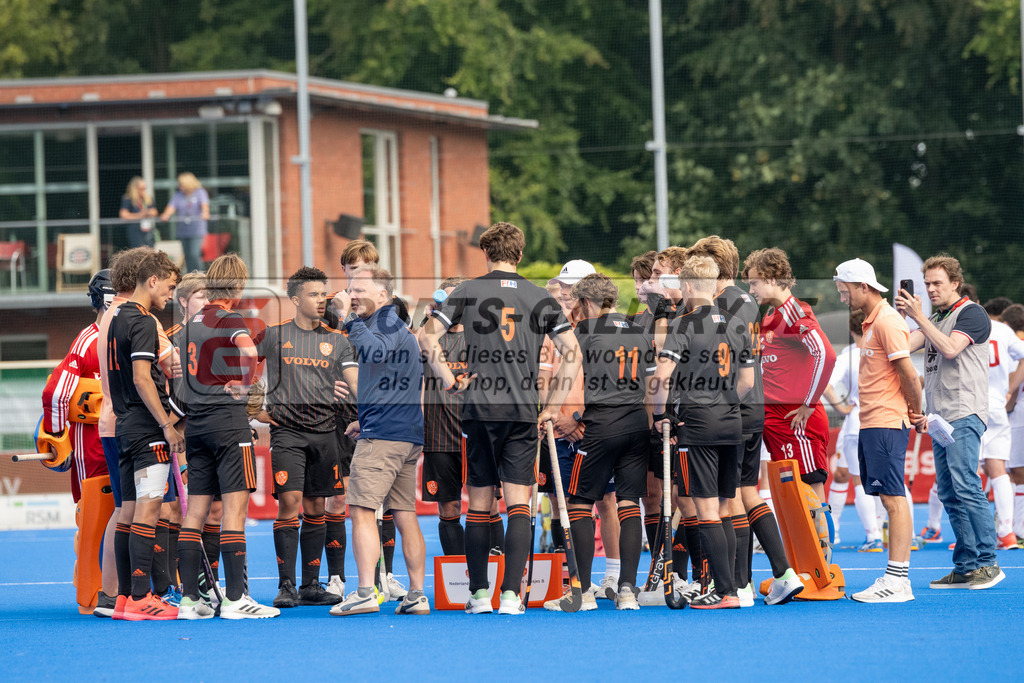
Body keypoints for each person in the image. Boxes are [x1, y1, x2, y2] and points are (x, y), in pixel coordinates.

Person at [418, 221, 582, 616]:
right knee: (518, 505)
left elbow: (426, 337)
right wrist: (553, 405)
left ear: (486, 255)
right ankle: (510, 595)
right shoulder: (540, 297)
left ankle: (478, 595)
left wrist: (448, 380)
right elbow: (573, 352)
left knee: (477, 504)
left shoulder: (467, 290)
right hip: (523, 412)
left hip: (478, 410)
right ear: (520, 255)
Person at [690, 235, 804, 607]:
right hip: (744, 406)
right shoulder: (744, 300)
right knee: (743, 493)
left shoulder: (724, 305)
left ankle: (741, 583)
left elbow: (726, 363)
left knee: (731, 497)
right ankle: (772, 576)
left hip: (735, 408)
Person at [175, 253, 279, 619]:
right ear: (236, 286)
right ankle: (236, 599)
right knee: (235, 511)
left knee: (196, 513)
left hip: (198, 425)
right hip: (227, 424)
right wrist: (244, 382)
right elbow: (248, 351)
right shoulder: (228, 316)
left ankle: (191, 601)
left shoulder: (189, 323)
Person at [650, 255, 755, 609]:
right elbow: (747, 382)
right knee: (726, 508)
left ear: (690, 287)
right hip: (731, 422)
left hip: (698, 423)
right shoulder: (738, 324)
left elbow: (662, 376)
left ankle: (726, 592)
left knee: (707, 510)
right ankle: (736, 587)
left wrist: (660, 415)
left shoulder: (682, 325)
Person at [546, 273, 654, 611]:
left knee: (578, 503)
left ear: (588, 302)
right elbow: (652, 390)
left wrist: (567, 417)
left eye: (578, 305)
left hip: (600, 425)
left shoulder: (583, 333)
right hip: (637, 423)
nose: (575, 312)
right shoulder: (639, 332)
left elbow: (573, 379)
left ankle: (581, 593)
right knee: (628, 504)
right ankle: (627, 591)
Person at [896, 254, 1004, 590]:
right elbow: (900, 345)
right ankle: (966, 564)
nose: (929, 289)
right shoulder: (935, 317)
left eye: (936, 283)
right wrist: (896, 320)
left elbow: (950, 349)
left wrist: (919, 319)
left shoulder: (971, 313)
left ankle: (989, 562)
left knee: (966, 484)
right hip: (940, 417)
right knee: (948, 491)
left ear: (955, 283)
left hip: (964, 412)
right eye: (926, 283)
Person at [255, 267, 358, 608]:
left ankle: (311, 585)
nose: (320, 301)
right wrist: (252, 409)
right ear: (295, 299)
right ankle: (286, 586)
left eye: (323, 295)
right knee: (290, 502)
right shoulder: (273, 335)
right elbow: (240, 368)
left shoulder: (337, 339)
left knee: (318, 507)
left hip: (326, 435)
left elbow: (353, 382)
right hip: (287, 435)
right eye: (313, 295)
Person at [328, 266, 428, 616]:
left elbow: (374, 353)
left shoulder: (385, 323)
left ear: (383, 295)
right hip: (402, 432)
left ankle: (366, 591)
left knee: (360, 510)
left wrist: (346, 317)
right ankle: (417, 594)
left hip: (385, 436)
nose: (351, 293)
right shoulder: (390, 325)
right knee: (404, 512)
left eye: (359, 288)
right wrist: (364, 418)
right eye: (349, 287)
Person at [98, 247, 181, 619]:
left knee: (128, 512)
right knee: (148, 512)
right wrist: (167, 423)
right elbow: (141, 376)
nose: (171, 294)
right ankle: (141, 598)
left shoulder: (114, 317)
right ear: (152, 280)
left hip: (124, 429)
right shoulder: (145, 321)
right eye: (170, 286)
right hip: (147, 431)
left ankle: (123, 599)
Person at [835, 258, 923, 603]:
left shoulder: (886, 321)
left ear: (863, 287)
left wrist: (916, 411)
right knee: (887, 498)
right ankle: (894, 577)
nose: (843, 297)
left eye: (845, 291)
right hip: (872, 421)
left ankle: (898, 581)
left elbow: (909, 374)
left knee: (893, 498)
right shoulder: (874, 322)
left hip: (887, 421)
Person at [332, 238, 409, 600]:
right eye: (349, 271)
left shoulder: (388, 314)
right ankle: (364, 580)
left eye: (361, 272)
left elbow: (382, 355)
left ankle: (378, 580)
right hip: (370, 417)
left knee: (373, 507)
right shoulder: (354, 308)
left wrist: (348, 317)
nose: (353, 280)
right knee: (363, 504)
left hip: (387, 426)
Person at [40, 269, 117, 615]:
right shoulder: (88, 341)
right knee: (95, 515)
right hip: (93, 447)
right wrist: (57, 435)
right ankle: (92, 591)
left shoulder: (130, 335)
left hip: (124, 442)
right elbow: (56, 393)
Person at [742, 247, 837, 501]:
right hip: (776, 421)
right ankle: (798, 543)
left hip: (797, 421)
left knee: (810, 494)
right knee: (792, 498)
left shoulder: (795, 311)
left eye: (754, 283)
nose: (751, 290)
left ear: (771, 279)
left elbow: (826, 355)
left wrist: (810, 404)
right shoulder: (771, 315)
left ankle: (821, 543)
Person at [821, 310, 886, 551]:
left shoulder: (849, 355)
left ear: (851, 330)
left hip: (856, 423)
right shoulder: (884, 350)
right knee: (877, 479)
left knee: (860, 481)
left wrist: (841, 407)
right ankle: (836, 530)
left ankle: (873, 536)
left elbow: (826, 384)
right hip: (881, 421)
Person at [421, 276, 468, 556]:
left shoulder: (481, 335)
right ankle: (458, 572)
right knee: (449, 507)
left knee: (484, 505)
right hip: (439, 435)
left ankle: (490, 572)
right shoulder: (427, 336)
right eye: (446, 300)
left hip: (476, 436)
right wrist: (427, 321)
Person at [159, 172, 210, 273]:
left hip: (196, 230)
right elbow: (171, 208)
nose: (180, 186)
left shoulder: (200, 192)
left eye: (181, 184)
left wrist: (205, 213)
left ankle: (199, 274)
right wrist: (166, 215)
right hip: (183, 230)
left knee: (194, 254)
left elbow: (205, 207)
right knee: (187, 255)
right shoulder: (178, 195)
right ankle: (191, 275)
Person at [119, 177, 158, 248]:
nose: (143, 191)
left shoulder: (148, 198)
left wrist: (148, 213)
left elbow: (155, 212)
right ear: (135, 189)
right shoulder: (128, 199)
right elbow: (123, 214)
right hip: (135, 231)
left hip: (148, 230)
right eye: (141, 189)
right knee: (138, 251)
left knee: (150, 250)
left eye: (144, 188)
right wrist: (139, 215)